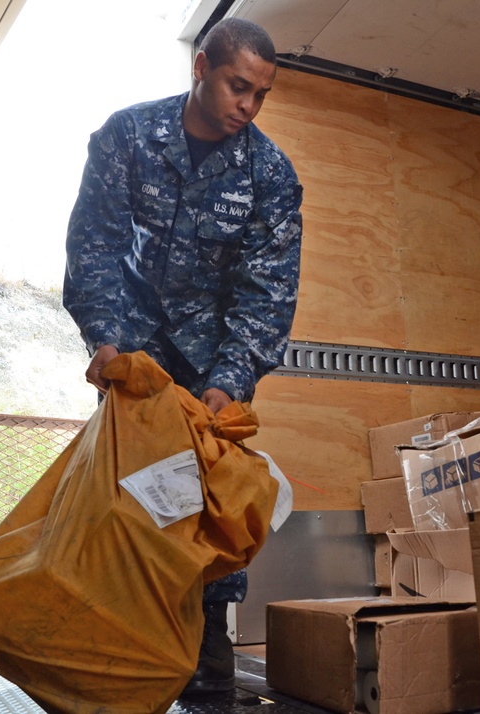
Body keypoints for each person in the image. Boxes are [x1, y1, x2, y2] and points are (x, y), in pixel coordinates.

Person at [62, 17, 303, 696]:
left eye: (260, 95)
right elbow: (96, 247)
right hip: (135, 355)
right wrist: (107, 344)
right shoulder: (129, 137)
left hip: (212, 364)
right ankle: (114, 665)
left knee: (209, 509)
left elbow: (266, 294)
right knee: (128, 504)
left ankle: (207, 669)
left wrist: (228, 385)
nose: (247, 107)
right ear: (201, 67)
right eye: (237, 87)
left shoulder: (270, 176)